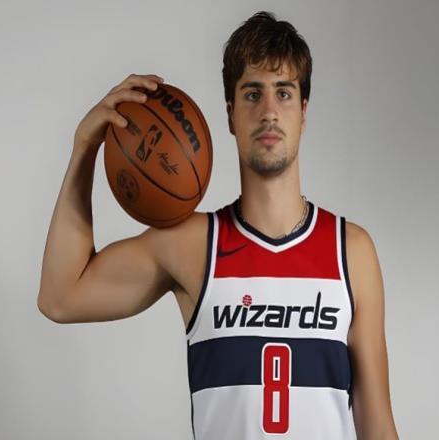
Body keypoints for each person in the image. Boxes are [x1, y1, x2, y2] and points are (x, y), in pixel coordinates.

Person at [37, 10, 399, 440]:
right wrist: (84, 148)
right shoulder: (192, 244)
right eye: (252, 94)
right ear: (230, 115)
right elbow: (60, 297)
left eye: (284, 93)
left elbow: (378, 427)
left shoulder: (350, 251)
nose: (268, 111)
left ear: (304, 113)